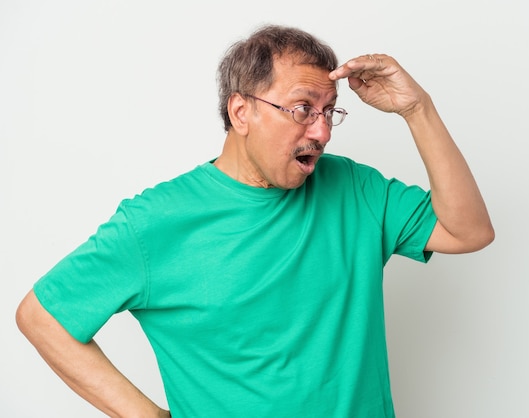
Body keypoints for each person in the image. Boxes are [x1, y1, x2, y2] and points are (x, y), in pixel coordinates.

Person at [16, 24, 494, 417]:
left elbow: (469, 230)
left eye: (330, 112)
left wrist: (417, 109)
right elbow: (43, 316)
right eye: (303, 109)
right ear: (241, 111)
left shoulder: (352, 188)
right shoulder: (155, 222)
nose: (323, 130)